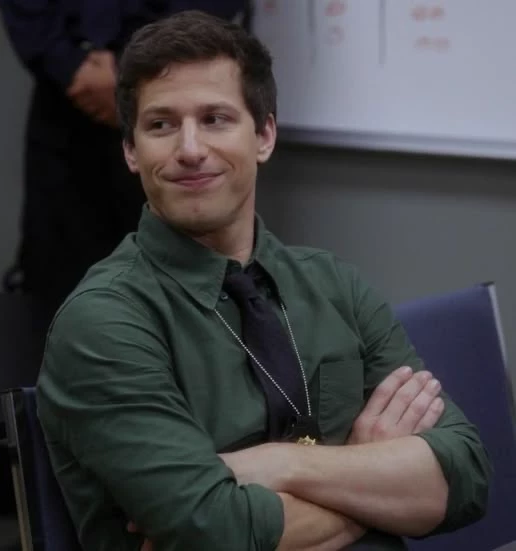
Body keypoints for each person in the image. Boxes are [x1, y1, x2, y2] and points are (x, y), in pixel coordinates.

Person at [36, 10, 491, 550]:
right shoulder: (103, 322)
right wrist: (371, 477)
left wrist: (283, 464)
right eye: (161, 125)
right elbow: (216, 532)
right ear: (131, 151)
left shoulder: (333, 284)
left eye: (215, 119)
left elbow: (464, 475)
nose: (190, 149)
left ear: (265, 136)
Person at [0, 0, 248, 312]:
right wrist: (68, 64)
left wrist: (138, 65)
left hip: (178, 84)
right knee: (56, 283)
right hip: (68, 100)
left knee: (178, 285)